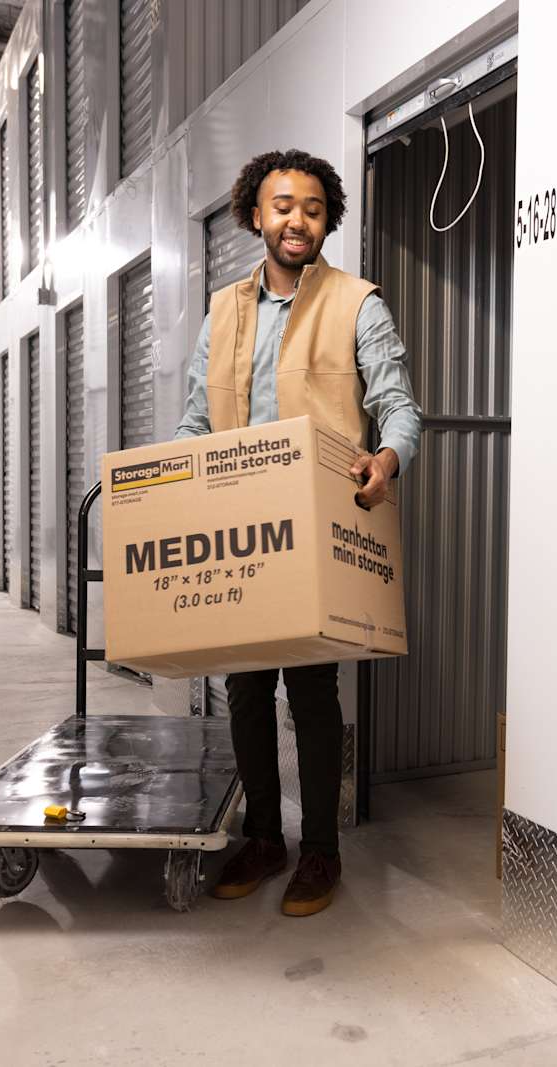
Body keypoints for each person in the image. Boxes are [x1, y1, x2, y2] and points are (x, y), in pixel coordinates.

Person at [173, 148, 421, 917]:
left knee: (312, 697)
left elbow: (400, 407)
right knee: (244, 691)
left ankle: (320, 851)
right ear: (255, 213)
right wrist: (172, 481)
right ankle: (263, 837)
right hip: (239, 530)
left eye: (313, 209)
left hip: (315, 529)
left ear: (327, 220)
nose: (297, 221)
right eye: (283, 206)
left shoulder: (357, 304)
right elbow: (195, 415)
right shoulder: (223, 311)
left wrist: (387, 458)